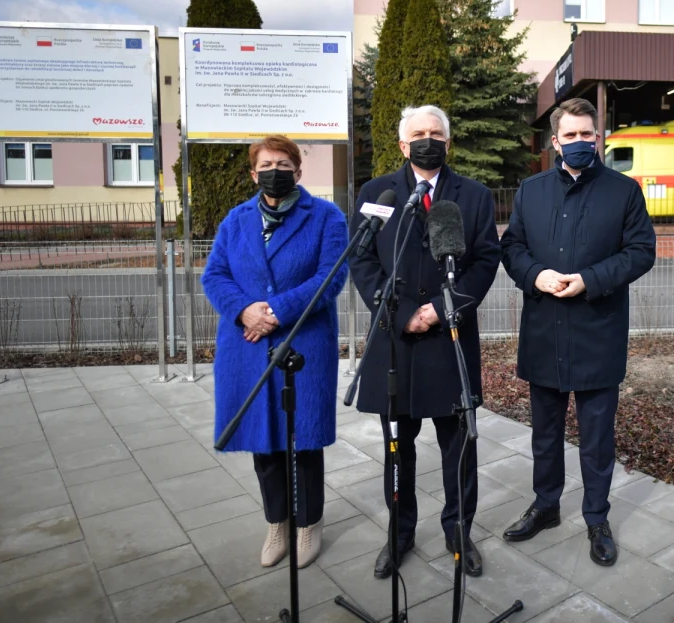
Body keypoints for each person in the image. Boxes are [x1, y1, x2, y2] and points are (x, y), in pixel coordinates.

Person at [499, 97, 656, 567]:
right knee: (545, 435)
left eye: (588, 134)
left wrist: (591, 279)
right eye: (570, 136)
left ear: (598, 136)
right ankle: (546, 506)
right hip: (545, 331)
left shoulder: (624, 191)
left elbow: (641, 251)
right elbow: (513, 247)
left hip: (597, 332)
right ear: (555, 142)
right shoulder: (530, 190)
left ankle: (596, 518)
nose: (580, 142)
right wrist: (536, 275)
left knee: (596, 438)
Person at [350, 105, 501, 578]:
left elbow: (485, 261)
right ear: (402, 144)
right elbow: (361, 259)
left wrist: (441, 307)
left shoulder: (473, 197)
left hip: (449, 340)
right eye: (418, 133)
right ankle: (400, 534)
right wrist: (397, 314)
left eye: (436, 133)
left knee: (459, 448)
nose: (427, 140)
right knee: (399, 449)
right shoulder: (378, 192)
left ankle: (459, 531)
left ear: (448, 143)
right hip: (395, 345)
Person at [203, 135, 349, 570]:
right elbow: (215, 275)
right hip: (246, 344)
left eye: (284, 164)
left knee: (304, 438)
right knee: (264, 444)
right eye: (266, 164)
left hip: (303, 341)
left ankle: (309, 524)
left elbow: (332, 276)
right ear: (253, 173)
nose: (275, 171)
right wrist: (244, 311)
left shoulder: (326, 216)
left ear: (298, 172)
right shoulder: (235, 220)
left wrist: (277, 310)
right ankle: (277, 523)